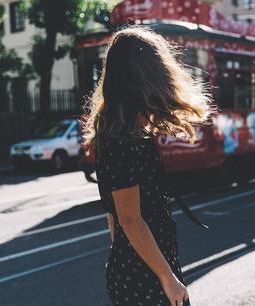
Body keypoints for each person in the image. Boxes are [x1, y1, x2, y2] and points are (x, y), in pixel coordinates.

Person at [81, 26, 215, 306]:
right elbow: (129, 219)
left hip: (138, 267)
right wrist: (167, 277)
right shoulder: (124, 141)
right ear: (148, 80)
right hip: (144, 276)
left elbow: (114, 216)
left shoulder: (121, 135)